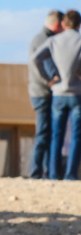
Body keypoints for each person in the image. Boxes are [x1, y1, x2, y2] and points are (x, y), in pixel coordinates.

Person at [34, 10, 81, 180]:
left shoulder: (54, 40)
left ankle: (53, 174)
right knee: (77, 136)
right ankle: (70, 174)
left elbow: (36, 58)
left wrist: (49, 79)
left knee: (56, 135)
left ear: (63, 24)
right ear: (79, 24)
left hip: (59, 93)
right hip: (77, 93)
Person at [29, 9, 63, 178]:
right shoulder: (44, 40)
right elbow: (41, 63)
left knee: (47, 133)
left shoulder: (42, 38)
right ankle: (35, 173)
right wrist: (51, 80)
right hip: (42, 93)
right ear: (57, 24)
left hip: (41, 91)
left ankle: (45, 171)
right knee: (43, 133)